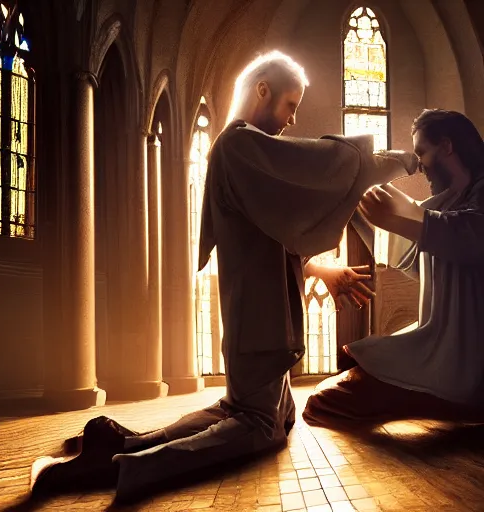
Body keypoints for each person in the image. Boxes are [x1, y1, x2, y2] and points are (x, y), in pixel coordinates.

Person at [29, 51, 416, 503]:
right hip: (258, 316)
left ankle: (120, 444)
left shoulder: (240, 153)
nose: (292, 120)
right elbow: (324, 163)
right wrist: (397, 160)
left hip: (255, 312)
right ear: (263, 91)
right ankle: (128, 465)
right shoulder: (241, 146)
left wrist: (323, 269)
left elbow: (271, 239)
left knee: (262, 413)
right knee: (260, 425)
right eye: (290, 105)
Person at [303, 109, 484, 428]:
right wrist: (362, 207)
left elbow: (472, 235)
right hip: (442, 343)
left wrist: (407, 220)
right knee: (337, 384)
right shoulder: (442, 203)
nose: (419, 167)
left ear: (447, 146)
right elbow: (414, 259)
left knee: (331, 400)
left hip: (468, 352)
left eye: (421, 153)